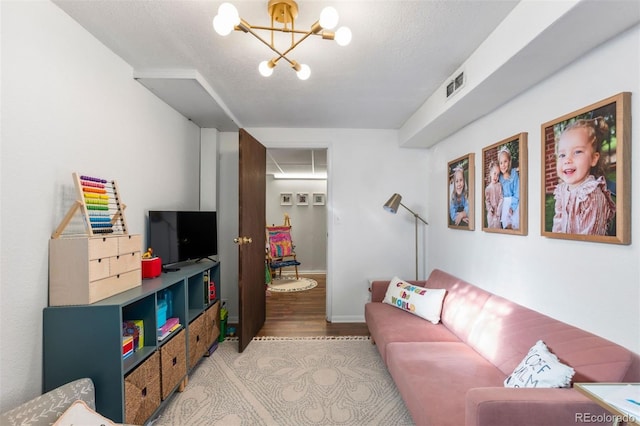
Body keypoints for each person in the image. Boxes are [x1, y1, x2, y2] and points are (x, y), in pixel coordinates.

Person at [552, 117, 615, 235]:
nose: (567, 160)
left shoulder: (592, 195)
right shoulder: (562, 190)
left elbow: (591, 239)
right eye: (562, 155)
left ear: (594, 158)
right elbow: (558, 223)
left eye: (577, 152)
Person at [498, 146, 519, 229]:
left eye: (505, 161)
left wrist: (512, 207)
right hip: (503, 203)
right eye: (501, 163)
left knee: (514, 224)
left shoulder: (514, 174)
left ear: (509, 161)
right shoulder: (499, 177)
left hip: (514, 202)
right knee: (506, 225)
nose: (503, 165)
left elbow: (517, 192)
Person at [485, 161, 503, 229]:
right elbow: (487, 201)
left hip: (498, 213)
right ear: (490, 173)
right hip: (491, 214)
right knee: (491, 227)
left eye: (498, 175)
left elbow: (501, 198)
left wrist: (499, 209)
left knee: (498, 228)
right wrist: (489, 209)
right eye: (494, 173)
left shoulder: (499, 186)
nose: (496, 176)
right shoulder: (488, 188)